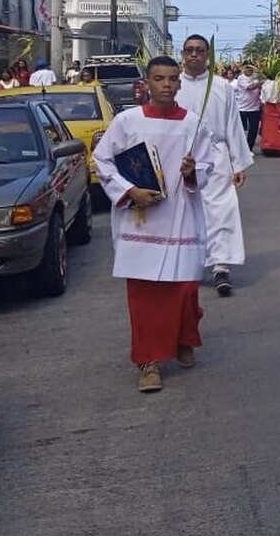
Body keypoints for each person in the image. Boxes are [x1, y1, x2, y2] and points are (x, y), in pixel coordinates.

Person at [92, 55, 215, 394]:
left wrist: (193, 172)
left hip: (180, 217)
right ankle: (148, 362)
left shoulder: (193, 123)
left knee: (184, 289)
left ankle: (183, 337)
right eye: (159, 78)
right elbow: (102, 161)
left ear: (179, 83)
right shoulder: (127, 121)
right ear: (146, 83)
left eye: (172, 79)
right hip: (141, 218)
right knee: (145, 294)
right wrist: (130, 190)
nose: (166, 85)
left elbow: (207, 165)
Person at [175, 34, 253, 297]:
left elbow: (233, 125)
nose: (194, 55)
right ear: (183, 54)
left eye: (200, 50)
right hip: (183, 156)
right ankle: (192, 264)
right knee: (186, 212)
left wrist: (238, 163)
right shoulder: (172, 85)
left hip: (217, 155)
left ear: (207, 55)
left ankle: (221, 267)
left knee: (222, 209)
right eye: (189, 50)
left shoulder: (222, 86)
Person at [234, 63, 264, 151]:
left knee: (254, 130)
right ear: (243, 69)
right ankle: (240, 148)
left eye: (251, 68)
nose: (249, 70)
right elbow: (250, 87)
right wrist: (261, 82)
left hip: (255, 108)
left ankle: (249, 148)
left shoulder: (256, 77)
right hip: (242, 108)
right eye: (247, 68)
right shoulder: (241, 78)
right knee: (243, 130)